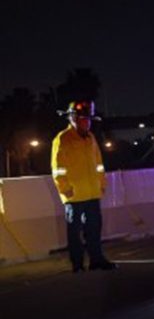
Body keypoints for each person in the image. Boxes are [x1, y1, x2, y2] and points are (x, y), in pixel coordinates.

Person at [51, 101, 116, 272]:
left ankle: (97, 260)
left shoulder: (91, 138)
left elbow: (99, 164)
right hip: (73, 195)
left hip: (92, 193)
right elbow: (57, 168)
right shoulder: (62, 139)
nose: (86, 122)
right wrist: (64, 189)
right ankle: (77, 263)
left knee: (94, 229)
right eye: (82, 119)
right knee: (75, 232)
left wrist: (101, 184)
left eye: (88, 119)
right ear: (72, 118)